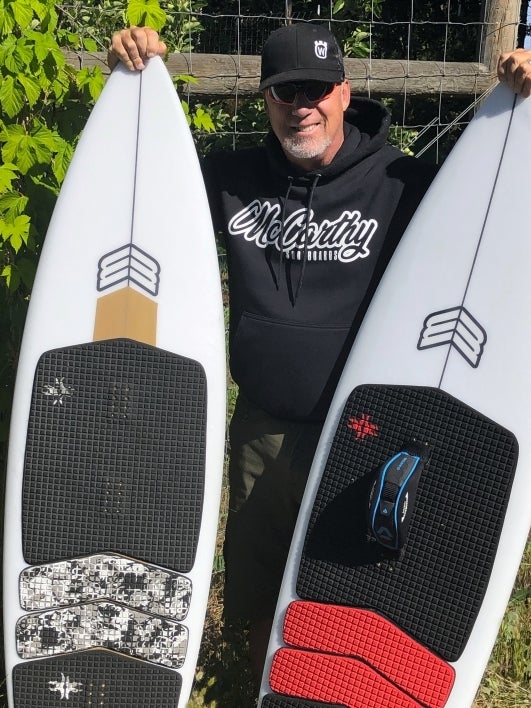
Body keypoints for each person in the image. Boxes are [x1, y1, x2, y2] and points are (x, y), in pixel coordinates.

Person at [109, 23, 531, 687]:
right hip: (263, 428)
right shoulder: (229, 177)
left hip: (362, 431)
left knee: (348, 592)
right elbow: (138, 183)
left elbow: (498, 205)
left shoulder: (404, 182)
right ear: (266, 99)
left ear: (343, 91)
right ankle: (263, 694)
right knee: (258, 585)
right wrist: (132, 78)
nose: (300, 104)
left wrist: (522, 102)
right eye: (283, 92)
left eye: (314, 89)